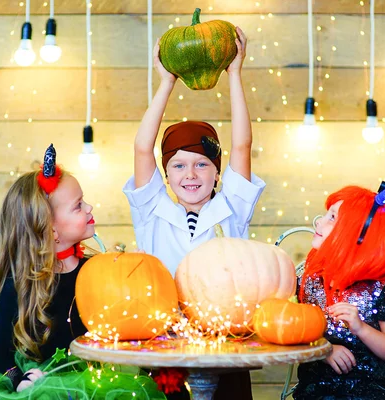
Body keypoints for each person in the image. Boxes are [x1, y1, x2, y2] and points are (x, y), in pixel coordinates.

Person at [0, 144, 165, 400]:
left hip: (96, 383)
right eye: (78, 205)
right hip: (39, 385)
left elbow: (121, 323)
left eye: (83, 201)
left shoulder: (96, 270)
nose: (89, 208)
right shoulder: (20, 284)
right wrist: (19, 380)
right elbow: (0, 354)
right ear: (50, 229)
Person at [123, 28, 263, 400]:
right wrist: (166, 82)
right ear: (164, 174)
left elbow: (242, 144)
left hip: (224, 341)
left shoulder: (232, 207)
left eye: (202, 165)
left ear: (218, 171)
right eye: (179, 166)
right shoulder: (151, 210)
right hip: (163, 339)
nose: (191, 175)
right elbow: (142, 149)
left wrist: (235, 74)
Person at [293, 173, 385, 400]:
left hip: (371, 392)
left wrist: (361, 328)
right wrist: (322, 349)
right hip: (318, 391)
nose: (319, 221)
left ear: (355, 235)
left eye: (332, 217)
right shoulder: (309, 281)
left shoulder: (380, 287)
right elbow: (287, 329)